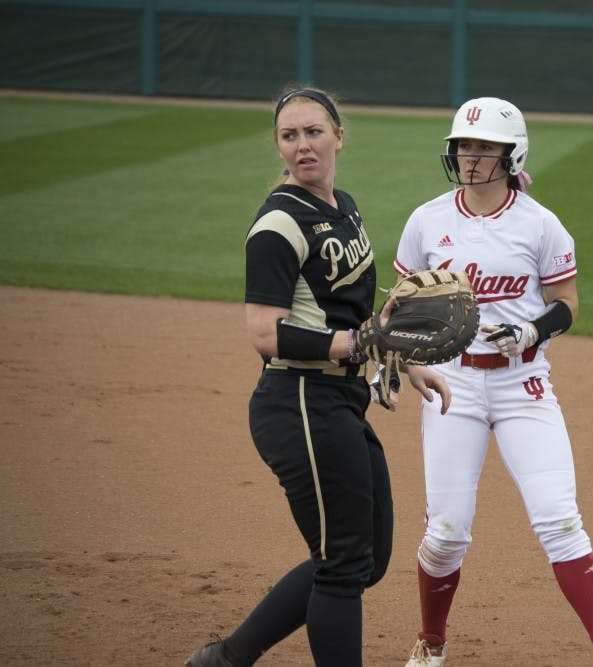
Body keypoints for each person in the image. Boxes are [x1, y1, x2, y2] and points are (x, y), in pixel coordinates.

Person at [184, 86, 450, 667]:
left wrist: (401, 356)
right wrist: (356, 344)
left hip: (337, 399)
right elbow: (263, 331)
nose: (302, 145)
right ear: (278, 145)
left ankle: (226, 659)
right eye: (289, 135)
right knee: (341, 564)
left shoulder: (342, 206)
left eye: (313, 132)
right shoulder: (277, 225)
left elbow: (350, 315)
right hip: (300, 403)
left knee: (366, 558)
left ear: (338, 135)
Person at [394, 97, 593, 667]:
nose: (470, 157)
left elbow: (567, 304)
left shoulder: (540, 224)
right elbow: (402, 306)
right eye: (463, 145)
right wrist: (409, 358)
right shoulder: (427, 221)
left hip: (523, 387)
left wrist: (532, 332)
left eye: (485, 147)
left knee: (559, 518)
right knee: (445, 534)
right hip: (453, 387)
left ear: (513, 156)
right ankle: (431, 643)